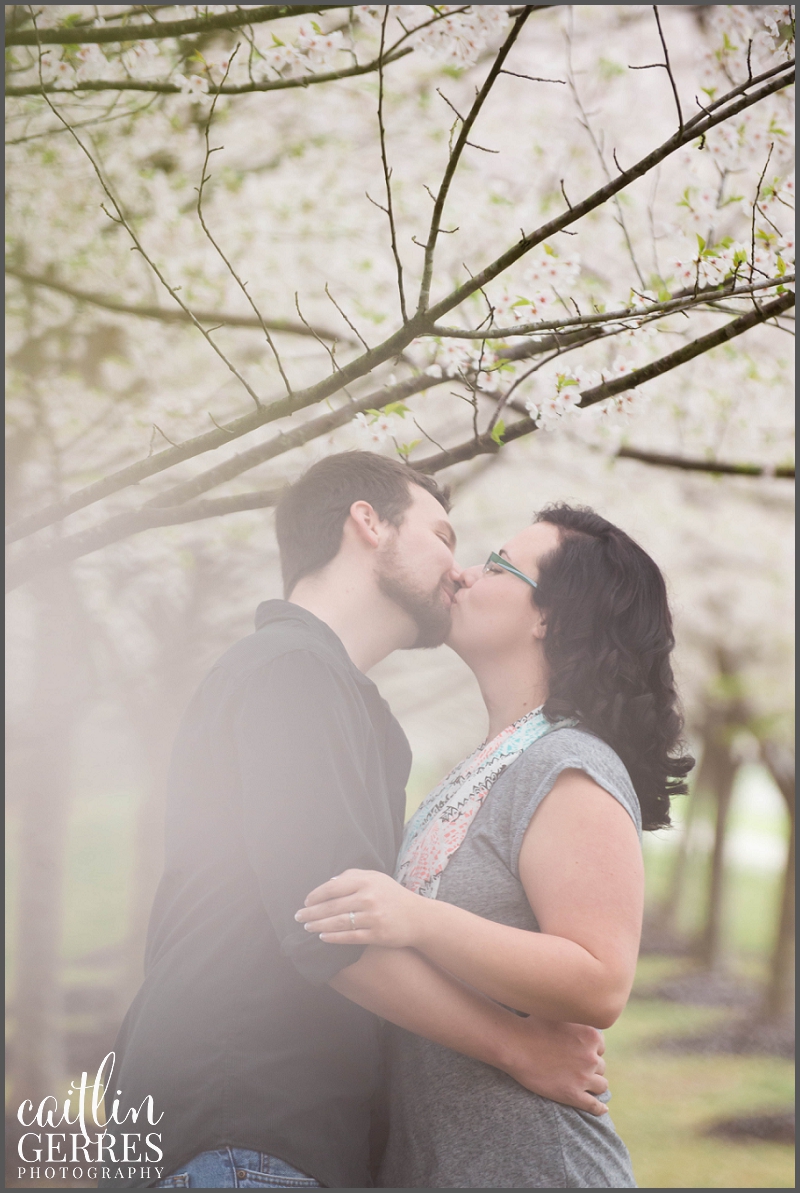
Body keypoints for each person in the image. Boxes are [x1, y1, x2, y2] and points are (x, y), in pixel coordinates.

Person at [101, 456, 608, 1191]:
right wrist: (517, 1045)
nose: (459, 568)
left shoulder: (344, 700)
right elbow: (329, 926)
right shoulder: (289, 673)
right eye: (442, 532)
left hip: (279, 1141)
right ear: (368, 522)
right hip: (240, 1132)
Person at [298, 503, 695, 1189]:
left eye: (496, 563)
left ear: (550, 616)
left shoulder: (569, 764)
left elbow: (600, 978)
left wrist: (417, 916)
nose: (463, 573)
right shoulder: (485, 766)